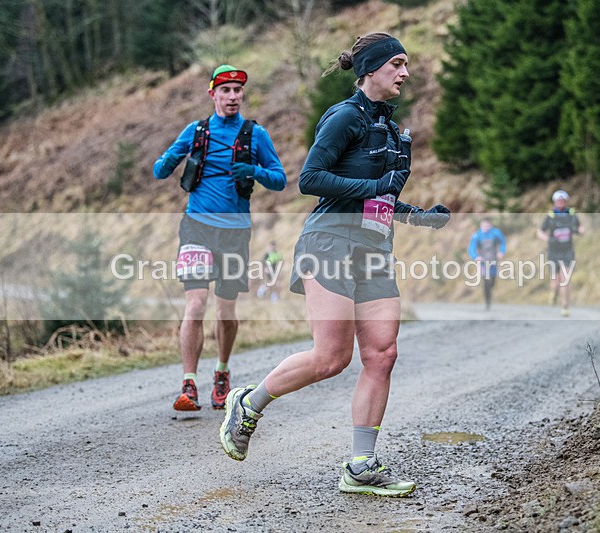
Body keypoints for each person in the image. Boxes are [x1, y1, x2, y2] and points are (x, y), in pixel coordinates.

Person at [219, 32, 450, 497]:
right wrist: (376, 186)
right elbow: (310, 179)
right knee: (331, 358)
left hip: (373, 248)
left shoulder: (390, 129)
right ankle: (248, 401)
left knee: (382, 353)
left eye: (406, 65)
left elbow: (381, 196)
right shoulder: (345, 117)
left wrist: (417, 216)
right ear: (370, 70)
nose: (405, 73)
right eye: (397, 64)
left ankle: (361, 466)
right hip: (329, 243)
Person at [153, 65, 287, 411]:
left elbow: (280, 179)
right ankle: (189, 384)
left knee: (225, 309)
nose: (232, 96)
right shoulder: (196, 131)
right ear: (212, 94)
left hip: (235, 233)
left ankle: (222, 372)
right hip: (196, 226)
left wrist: (254, 170)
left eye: (237, 91)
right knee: (195, 303)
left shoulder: (255, 135)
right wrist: (168, 161)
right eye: (225, 90)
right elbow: (159, 169)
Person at [536, 190, 584, 317]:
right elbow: (540, 231)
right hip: (553, 251)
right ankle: (554, 293)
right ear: (554, 202)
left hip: (567, 251)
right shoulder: (550, 216)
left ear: (566, 201)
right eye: (558, 201)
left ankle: (565, 306)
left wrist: (581, 230)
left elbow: (578, 227)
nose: (560, 203)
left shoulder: (571, 214)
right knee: (555, 282)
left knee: (565, 279)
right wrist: (547, 239)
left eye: (562, 201)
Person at [467, 217, 506, 311]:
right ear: (481, 225)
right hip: (483, 262)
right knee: (486, 283)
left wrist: (501, 251)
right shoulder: (477, 235)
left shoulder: (495, 233)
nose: (486, 227)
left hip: (493, 260)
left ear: (490, 225)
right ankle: (487, 303)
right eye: (484, 225)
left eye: (488, 225)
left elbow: (503, 242)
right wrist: (476, 257)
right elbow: (471, 248)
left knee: (492, 281)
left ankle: (490, 288)